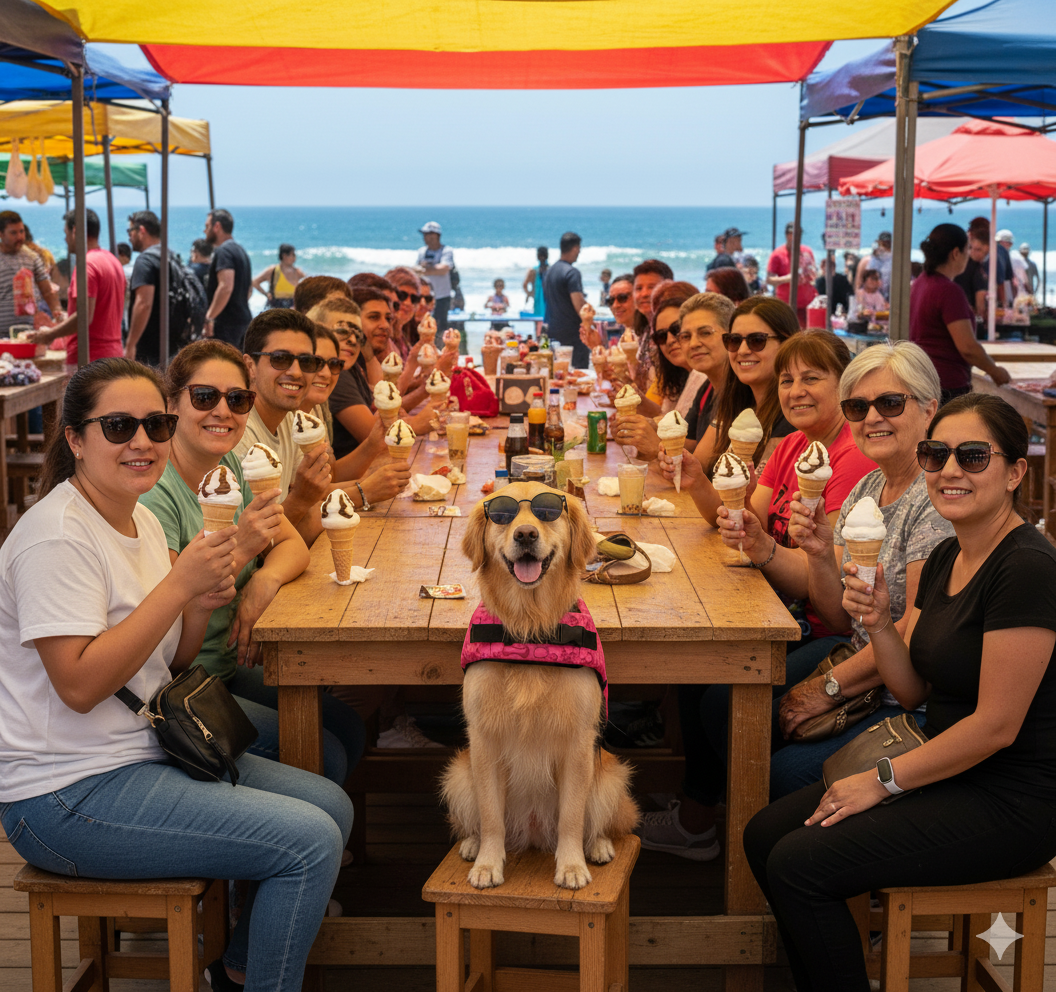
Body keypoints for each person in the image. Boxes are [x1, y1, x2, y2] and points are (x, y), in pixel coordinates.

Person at [0, 357, 353, 992]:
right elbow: (78, 688)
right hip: (64, 794)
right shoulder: (56, 537)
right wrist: (178, 587)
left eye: (156, 426)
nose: (142, 442)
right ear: (74, 439)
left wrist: (196, 605)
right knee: (309, 841)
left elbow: (175, 662)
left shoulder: (137, 516)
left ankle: (244, 962)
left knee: (329, 800)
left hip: (141, 751)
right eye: (118, 427)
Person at [745, 391, 1056, 992]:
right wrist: (884, 626)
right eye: (937, 454)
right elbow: (913, 692)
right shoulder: (946, 555)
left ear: (1016, 471)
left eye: (972, 455)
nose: (949, 471)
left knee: (799, 864)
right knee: (764, 834)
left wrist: (881, 780)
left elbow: (996, 726)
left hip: (1013, 798)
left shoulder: (1028, 569)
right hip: (947, 765)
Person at [641, 332, 877, 860]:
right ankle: (702, 809)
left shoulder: (853, 461)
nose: (795, 390)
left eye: (812, 378)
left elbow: (827, 592)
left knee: (721, 699)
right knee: (692, 670)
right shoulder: (793, 445)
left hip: (831, 628)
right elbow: (743, 515)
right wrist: (701, 480)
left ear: (846, 385)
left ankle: (740, 825)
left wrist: (765, 548)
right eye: (788, 379)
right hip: (783, 607)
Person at [138, 338, 364, 791]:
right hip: (177, 685)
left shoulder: (233, 469)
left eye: (238, 399)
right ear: (172, 404)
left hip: (227, 661)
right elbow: (169, 624)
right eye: (205, 397)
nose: (223, 411)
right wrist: (242, 550)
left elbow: (293, 546)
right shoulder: (154, 494)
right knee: (329, 753)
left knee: (350, 726)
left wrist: (264, 580)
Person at [774, 342, 953, 798]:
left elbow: (913, 635)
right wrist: (816, 552)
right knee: (729, 706)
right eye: (857, 406)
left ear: (929, 408)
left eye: (890, 403)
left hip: (913, 702)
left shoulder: (937, 498)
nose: (872, 417)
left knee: (780, 769)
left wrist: (829, 688)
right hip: (859, 658)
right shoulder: (868, 487)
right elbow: (837, 619)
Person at [232, 309, 407, 547]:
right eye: (280, 359)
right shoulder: (237, 435)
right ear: (250, 366)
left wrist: (373, 450)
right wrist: (362, 493)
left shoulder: (291, 420)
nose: (295, 372)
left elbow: (314, 500)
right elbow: (253, 548)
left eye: (306, 362)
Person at [685, 295, 801, 481]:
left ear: (786, 344)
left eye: (756, 340)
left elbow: (760, 500)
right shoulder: (734, 401)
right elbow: (696, 470)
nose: (743, 350)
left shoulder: (793, 411)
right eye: (734, 340)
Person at [909, 223, 1010, 405]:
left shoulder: (920, 283)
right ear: (956, 253)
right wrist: (994, 371)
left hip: (921, 381)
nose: (969, 255)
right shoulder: (948, 291)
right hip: (946, 387)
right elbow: (968, 347)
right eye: (967, 250)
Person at [610, 281, 702, 456]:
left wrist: (652, 442)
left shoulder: (703, 377)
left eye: (676, 329)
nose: (669, 340)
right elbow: (669, 419)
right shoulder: (675, 372)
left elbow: (697, 459)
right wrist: (641, 408)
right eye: (660, 335)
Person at [27, 209, 125, 370]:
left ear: (75, 231)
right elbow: (101, 310)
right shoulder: (112, 261)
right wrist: (67, 317)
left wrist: (49, 335)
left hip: (89, 358)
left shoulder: (86, 265)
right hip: (113, 354)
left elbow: (85, 316)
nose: (65, 239)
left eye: (66, 233)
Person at [0, 209, 62, 336]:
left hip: (28, 331)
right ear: (1, 234)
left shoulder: (32, 257)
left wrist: (56, 310)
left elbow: (47, 290)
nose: (20, 237)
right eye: (13, 233)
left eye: (21, 231)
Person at [203, 209, 252, 347]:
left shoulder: (223, 251)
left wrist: (210, 318)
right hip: (243, 321)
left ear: (217, 226)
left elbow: (225, 287)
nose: (204, 231)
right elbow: (249, 290)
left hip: (227, 326)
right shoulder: (241, 251)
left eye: (207, 226)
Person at [125, 211, 166, 366]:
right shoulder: (170, 257)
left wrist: (131, 344)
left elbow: (144, 304)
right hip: (170, 348)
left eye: (130, 231)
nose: (129, 236)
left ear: (141, 230)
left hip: (150, 351)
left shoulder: (145, 261)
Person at [543, 232, 588, 368]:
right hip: (573, 334)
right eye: (579, 250)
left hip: (553, 331)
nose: (579, 253)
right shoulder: (571, 273)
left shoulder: (549, 272)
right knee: (579, 378)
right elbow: (579, 306)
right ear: (575, 248)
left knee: (558, 376)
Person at [767, 222, 817, 326]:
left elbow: (813, 272)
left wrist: (811, 274)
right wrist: (788, 278)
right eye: (793, 234)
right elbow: (769, 279)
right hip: (787, 305)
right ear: (787, 235)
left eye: (799, 234)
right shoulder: (777, 254)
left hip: (807, 303)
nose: (796, 237)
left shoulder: (807, 251)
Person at [414, 221, 454, 333]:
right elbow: (416, 270)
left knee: (440, 329)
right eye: (424, 234)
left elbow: (443, 269)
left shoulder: (446, 251)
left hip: (441, 296)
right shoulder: (422, 251)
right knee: (423, 326)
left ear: (436, 235)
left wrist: (424, 270)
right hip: (425, 297)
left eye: (428, 234)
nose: (425, 237)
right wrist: (429, 270)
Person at [253, 244, 305, 309]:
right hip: (275, 308)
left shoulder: (297, 272)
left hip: (292, 307)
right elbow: (254, 282)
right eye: (293, 255)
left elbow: (308, 286)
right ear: (284, 256)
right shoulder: (273, 270)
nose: (294, 258)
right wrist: (266, 294)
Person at [853, 231, 893, 298]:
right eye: (882, 244)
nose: (884, 247)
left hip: (890, 298)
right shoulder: (867, 261)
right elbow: (858, 284)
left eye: (887, 244)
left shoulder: (896, 261)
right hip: (870, 299)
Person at [523, 246, 549, 317]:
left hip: (538, 296)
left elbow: (525, 285)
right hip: (548, 298)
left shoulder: (533, 270)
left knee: (537, 320)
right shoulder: (551, 270)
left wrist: (530, 294)